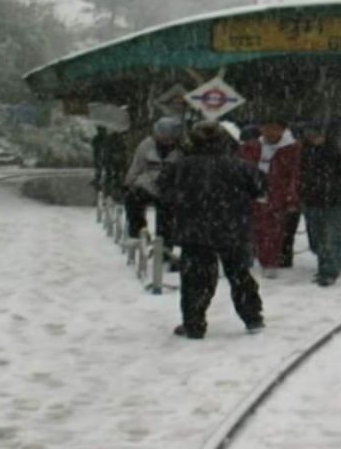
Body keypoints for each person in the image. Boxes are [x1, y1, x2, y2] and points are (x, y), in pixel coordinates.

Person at [159, 121, 266, 339]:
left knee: (195, 280)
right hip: (233, 228)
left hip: (194, 230)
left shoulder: (179, 167)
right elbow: (260, 189)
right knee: (240, 274)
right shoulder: (241, 166)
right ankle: (252, 317)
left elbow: (164, 193)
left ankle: (194, 323)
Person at [299, 122, 341, 286]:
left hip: (335, 201)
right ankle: (332, 262)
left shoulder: (340, 156)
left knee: (330, 236)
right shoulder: (306, 154)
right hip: (315, 200)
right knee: (318, 238)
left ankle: (329, 269)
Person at [239, 117, 301, 278]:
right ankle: (247, 260)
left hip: (276, 197)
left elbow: (295, 175)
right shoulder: (251, 147)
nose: (270, 132)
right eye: (266, 128)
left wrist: (291, 196)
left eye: (274, 128)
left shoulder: (292, 149)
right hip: (251, 194)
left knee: (272, 231)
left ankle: (270, 261)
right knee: (248, 229)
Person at [124, 117, 184, 244]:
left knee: (167, 210)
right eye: (162, 137)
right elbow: (137, 166)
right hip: (148, 185)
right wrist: (128, 183)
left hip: (170, 188)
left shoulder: (181, 150)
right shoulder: (146, 145)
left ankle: (164, 241)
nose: (165, 141)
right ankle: (138, 231)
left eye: (169, 138)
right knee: (133, 199)